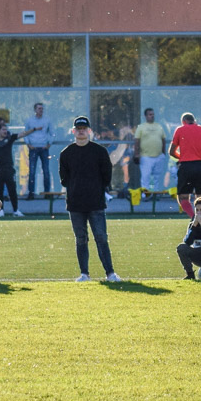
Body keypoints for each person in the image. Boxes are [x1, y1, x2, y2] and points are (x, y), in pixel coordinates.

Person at [59, 116, 122, 282]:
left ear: (89, 131)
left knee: (101, 238)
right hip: (75, 203)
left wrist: (96, 189)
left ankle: (110, 273)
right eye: (78, 129)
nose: (81, 132)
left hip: (96, 202)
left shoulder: (99, 152)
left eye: (84, 129)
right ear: (73, 131)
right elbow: (64, 179)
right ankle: (84, 274)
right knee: (81, 239)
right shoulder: (66, 153)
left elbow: (106, 176)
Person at [169, 112, 201, 218]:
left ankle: (193, 217)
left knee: (183, 196)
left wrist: (182, 156)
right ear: (194, 120)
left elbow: (171, 151)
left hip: (186, 166)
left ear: (183, 121)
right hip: (200, 166)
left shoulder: (180, 130)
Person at [18, 101, 53, 198]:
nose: (41, 110)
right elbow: (25, 133)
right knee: (32, 171)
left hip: (44, 148)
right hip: (33, 148)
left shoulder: (47, 120)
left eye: (42, 108)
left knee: (46, 171)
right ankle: (31, 193)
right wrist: (28, 144)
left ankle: (47, 193)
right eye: (39, 108)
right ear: (35, 110)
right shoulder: (29, 121)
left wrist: (49, 144)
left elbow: (52, 133)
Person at [135, 108, 169, 195]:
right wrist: (137, 153)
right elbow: (137, 141)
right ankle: (146, 195)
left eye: (153, 114)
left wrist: (163, 154)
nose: (152, 116)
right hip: (145, 157)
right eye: (150, 114)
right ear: (145, 116)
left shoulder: (159, 126)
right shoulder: (141, 127)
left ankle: (156, 194)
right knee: (145, 177)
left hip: (159, 156)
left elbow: (163, 140)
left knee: (157, 177)